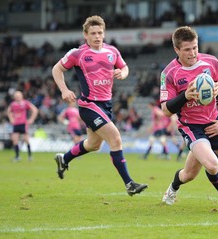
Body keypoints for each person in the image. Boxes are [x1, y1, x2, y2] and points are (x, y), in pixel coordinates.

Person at [51, 15, 147, 196]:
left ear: (104, 33)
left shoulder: (112, 51)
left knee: (94, 145)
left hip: (106, 105)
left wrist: (122, 73)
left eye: (100, 33)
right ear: (85, 35)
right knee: (115, 138)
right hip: (89, 105)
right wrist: (64, 90)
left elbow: (125, 67)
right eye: (93, 33)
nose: (97, 36)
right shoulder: (77, 54)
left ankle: (64, 158)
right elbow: (57, 69)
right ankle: (129, 184)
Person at [159, 26, 218, 213]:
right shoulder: (169, 73)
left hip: (213, 122)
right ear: (177, 50)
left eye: (195, 48)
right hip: (191, 126)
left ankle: (204, 151)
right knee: (211, 165)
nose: (193, 53)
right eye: (187, 49)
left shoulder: (211, 62)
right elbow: (165, 110)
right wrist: (185, 96)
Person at [7, 90, 38, 161]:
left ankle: (30, 156)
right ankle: (17, 156)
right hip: (16, 124)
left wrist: (31, 119)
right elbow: (8, 111)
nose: (17, 97)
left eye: (18, 96)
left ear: (21, 96)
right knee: (15, 140)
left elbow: (35, 110)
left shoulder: (25, 103)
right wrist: (11, 118)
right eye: (16, 96)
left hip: (23, 123)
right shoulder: (13, 104)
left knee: (26, 139)